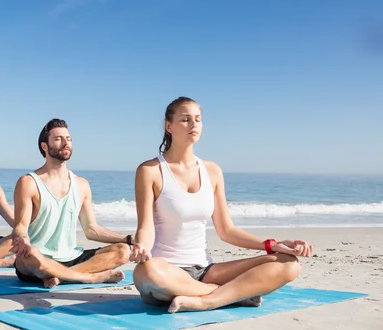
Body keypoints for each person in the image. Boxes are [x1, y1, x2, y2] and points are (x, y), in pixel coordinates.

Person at [131, 96, 314, 313]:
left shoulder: (212, 171)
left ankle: (209, 300)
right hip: (167, 270)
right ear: (168, 126)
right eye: (185, 119)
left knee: (289, 263)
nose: (193, 125)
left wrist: (272, 245)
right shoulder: (150, 171)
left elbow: (227, 231)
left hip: (207, 269)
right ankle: (229, 294)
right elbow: (146, 227)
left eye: (198, 119)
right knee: (147, 271)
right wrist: (141, 246)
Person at [10, 118, 132, 288]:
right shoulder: (28, 182)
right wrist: (22, 239)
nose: (65, 143)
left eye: (68, 139)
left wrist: (128, 238)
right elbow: (21, 226)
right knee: (31, 254)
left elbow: (92, 230)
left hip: (71, 258)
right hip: (38, 259)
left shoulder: (81, 184)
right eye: (58, 139)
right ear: (44, 146)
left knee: (123, 251)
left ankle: (61, 276)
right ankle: (89, 277)